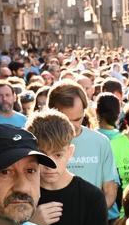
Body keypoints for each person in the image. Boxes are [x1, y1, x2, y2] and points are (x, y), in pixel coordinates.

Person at [48, 83, 120, 211]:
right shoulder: (41, 143)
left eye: (77, 119)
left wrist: (93, 216)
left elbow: (110, 190)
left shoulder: (101, 142)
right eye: (66, 121)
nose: (73, 126)